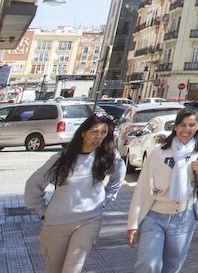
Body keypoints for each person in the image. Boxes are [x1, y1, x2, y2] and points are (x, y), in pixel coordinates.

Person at [24, 111, 126, 272]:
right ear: (83, 133)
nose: (98, 137)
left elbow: (118, 176)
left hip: (88, 221)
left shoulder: (108, 157)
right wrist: (42, 211)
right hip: (56, 223)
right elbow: (33, 185)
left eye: (103, 133)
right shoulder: (61, 159)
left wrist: (104, 201)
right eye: (94, 132)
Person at [127, 108, 198, 273]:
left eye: (192, 125)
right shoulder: (159, 152)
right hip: (154, 216)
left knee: (172, 266)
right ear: (175, 127)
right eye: (182, 125)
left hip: (183, 216)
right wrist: (133, 224)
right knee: (148, 265)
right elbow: (142, 188)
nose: (186, 129)